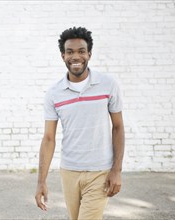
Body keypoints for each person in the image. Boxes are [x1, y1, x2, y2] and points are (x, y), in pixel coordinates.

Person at [35, 27, 125, 220]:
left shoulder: (108, 85)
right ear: (63, 56)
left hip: (100, 171)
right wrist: (41, 181)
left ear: (89, 54)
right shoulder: (54, 93)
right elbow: (49, 138)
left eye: (81, 51)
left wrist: (116, 170)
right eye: (70, 52)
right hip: (69, 171)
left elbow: (118, 127)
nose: (76, 56)